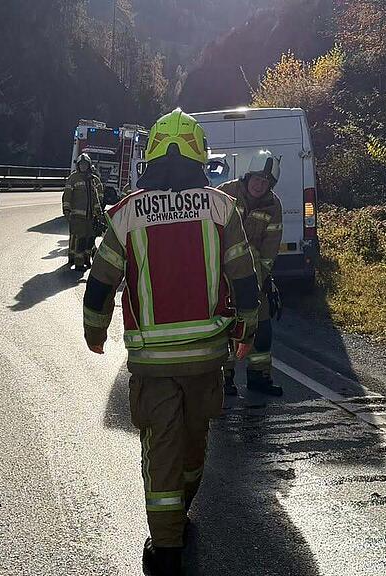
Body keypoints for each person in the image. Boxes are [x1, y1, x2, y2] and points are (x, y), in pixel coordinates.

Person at [82, 108, 259, 576]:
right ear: (200, 153)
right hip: (207, 358)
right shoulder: (223, 209)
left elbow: (101, 281)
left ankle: (166, 550)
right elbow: (245, 278)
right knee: (195, 444)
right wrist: (245, 331)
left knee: (161, 451)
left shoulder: (126, 214)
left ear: (153, 153)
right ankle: (179, 517)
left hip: (152, 364)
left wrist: (94, 330)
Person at [219, 150, 285, 396]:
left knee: (262, 328)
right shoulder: (225, 194)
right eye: (257, 179)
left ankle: (260, 378)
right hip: (222, 275)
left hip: (255, 277)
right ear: (247, 176)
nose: (260, 185)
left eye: (266, 181)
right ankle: (223, 380)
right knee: (224, 327)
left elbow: (270, 246)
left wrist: (263, 277)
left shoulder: (273, 205)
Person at [62, 153, 105, 270]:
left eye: (85, 164)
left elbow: (95, 198)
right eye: (81, 164)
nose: (83, 166)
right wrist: (66, 210)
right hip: (77, 216)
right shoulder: (73, 178)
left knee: (89, 239)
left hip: (89, 217)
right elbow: (67, 195)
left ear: (89, 165)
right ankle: (79, 263)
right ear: (78, 165)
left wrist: (99, 213)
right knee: (80, 239)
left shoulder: (91, 179)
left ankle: (86, 259)